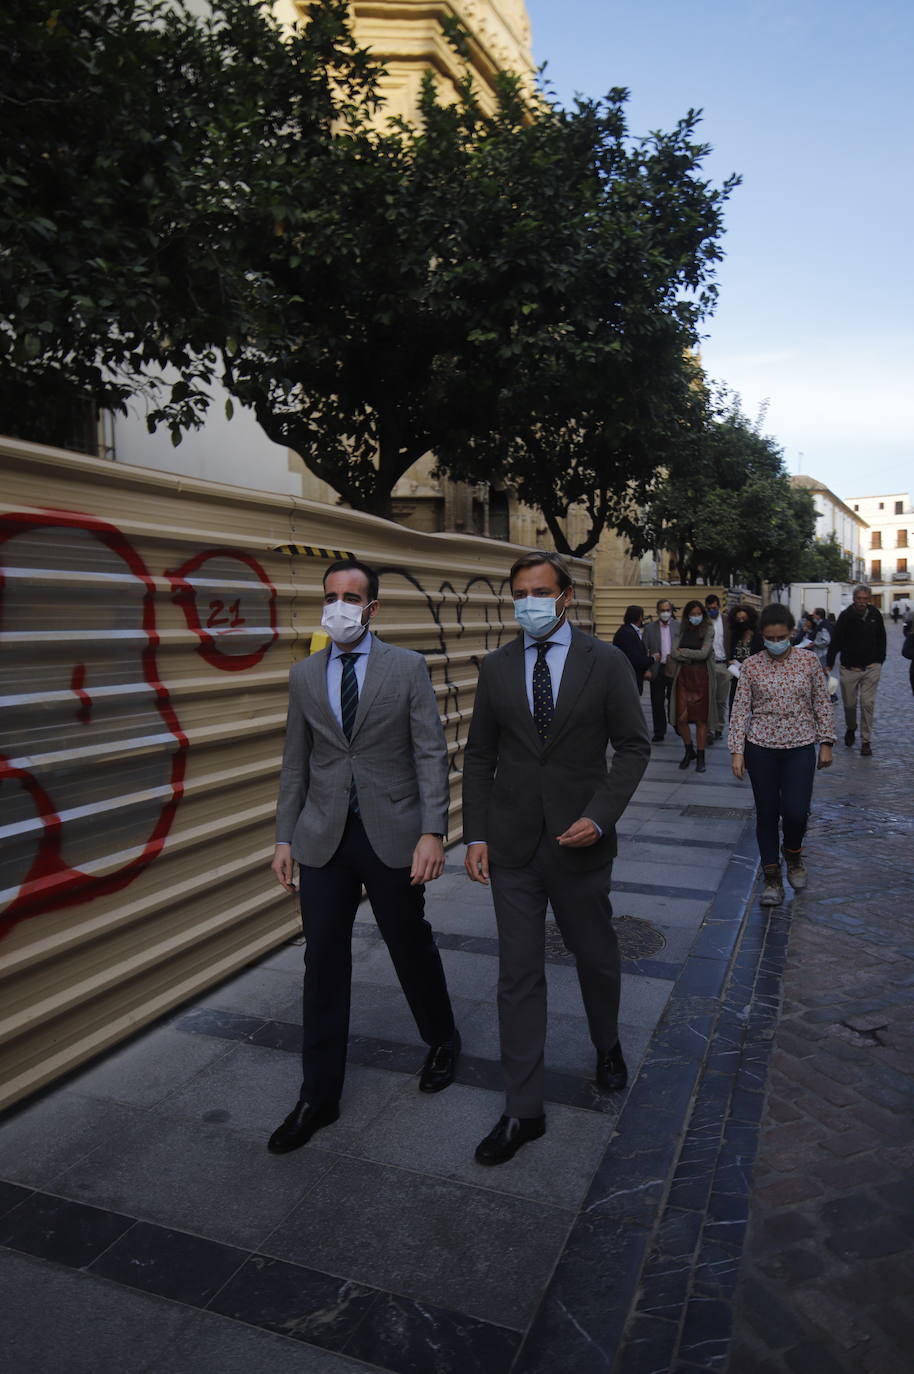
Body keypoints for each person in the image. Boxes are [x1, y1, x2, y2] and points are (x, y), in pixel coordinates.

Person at [462, 551, 649, 1165]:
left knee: (595, 955)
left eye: (540, 592)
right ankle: (523, 1111)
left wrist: (600, 815)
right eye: (519, 593)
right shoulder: (496, 667)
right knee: (518, 976)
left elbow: (632, 745)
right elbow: (480, 756)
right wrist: (476, 834)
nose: (529, 603)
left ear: (566, 596)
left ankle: (607, 1044)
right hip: (513, 845)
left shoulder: (608, 662)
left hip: (580, 843)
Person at [268, 559, 459, 1153]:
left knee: (408, 941)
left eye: (351, 597)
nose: (340, 606)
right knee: (323, 960)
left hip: (393, 832)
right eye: (331, 596)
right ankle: (317, 1097)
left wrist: (434, 830)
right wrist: (283, 837)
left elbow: (430, 751)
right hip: (323, 836)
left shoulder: (406, 668)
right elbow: (296, 761)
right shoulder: (303, 675)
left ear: (372, 608)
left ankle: (442, 1037)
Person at [729, 603, 835, 905]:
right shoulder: (751, 666)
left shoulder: (809, 662)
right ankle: (772, 877)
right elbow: (740, 710)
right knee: (766, 811)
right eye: (769, 637)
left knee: (796, 811)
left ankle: (793, 853)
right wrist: (737, 750)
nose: (776, 642)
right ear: (762, 636)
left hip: (800, 745)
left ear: (791, 633)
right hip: (760, 746)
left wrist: (826, 742)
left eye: (781, 636)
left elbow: (821, 702)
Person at [825, 584, 886, 757]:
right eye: (859, 599)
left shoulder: (875, 615)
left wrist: (880, 659)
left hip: (871, 667)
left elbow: (881, 638)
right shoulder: (845, 616)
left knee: (867, 703)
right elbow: (836, 640)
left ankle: (866, 741)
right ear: (854, 599)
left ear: (869, 599)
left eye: (865, 599)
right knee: (850, 704)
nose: (861, 602)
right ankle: (851, 727)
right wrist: (829, 662)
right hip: (849, 668)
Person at [668, 599, 717, 773]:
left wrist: (685, 653)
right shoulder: (681, 630)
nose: (695, 617)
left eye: (698, 614)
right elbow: (673, 652)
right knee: (681, 718)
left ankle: (701, 756)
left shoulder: (709, 629)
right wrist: (690, 656)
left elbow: (704, 654)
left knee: (700, 719)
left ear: (702, 615)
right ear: (687, 616)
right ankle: (689, 750)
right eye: (692, 614)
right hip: (683, 677)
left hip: (701, 677)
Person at [643, 597, 678, 741]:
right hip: (657, 668)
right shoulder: (650, 628)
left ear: (671, 611)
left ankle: (676, 723)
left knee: (674, 699)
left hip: (674, 668)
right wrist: (647, 668)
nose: (665, 613)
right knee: (657, 701)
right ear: (657, 612)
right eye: (662, 610)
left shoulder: (678, 626)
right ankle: (659, 731)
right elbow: (644, 649)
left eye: (668, 610)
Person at [725, 603, 762, 716]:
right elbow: (730, 654)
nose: (741, 621)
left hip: (755, 681)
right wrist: (731, 663)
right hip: (738, 681)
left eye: (744, 618)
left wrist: (743, 666)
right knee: (736, 713)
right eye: (738, 619)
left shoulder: (758, 636)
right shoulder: (735, 636)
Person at [612, 604, 655, 694]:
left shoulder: (629, 631)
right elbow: (635, 658)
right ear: (640, 617)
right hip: (628, 680)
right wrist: (652, 659)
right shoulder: (628, 633)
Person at [704, 594, 730, 740]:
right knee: (709, 698)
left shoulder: (727, 621)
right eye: (709, 609)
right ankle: (709, 729)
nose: (711, 611)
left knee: (721, 700)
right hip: (708, 664)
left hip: (723, 664)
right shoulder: (704, 622)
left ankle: (719, 726)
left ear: (719, 607)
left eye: (714, 608)